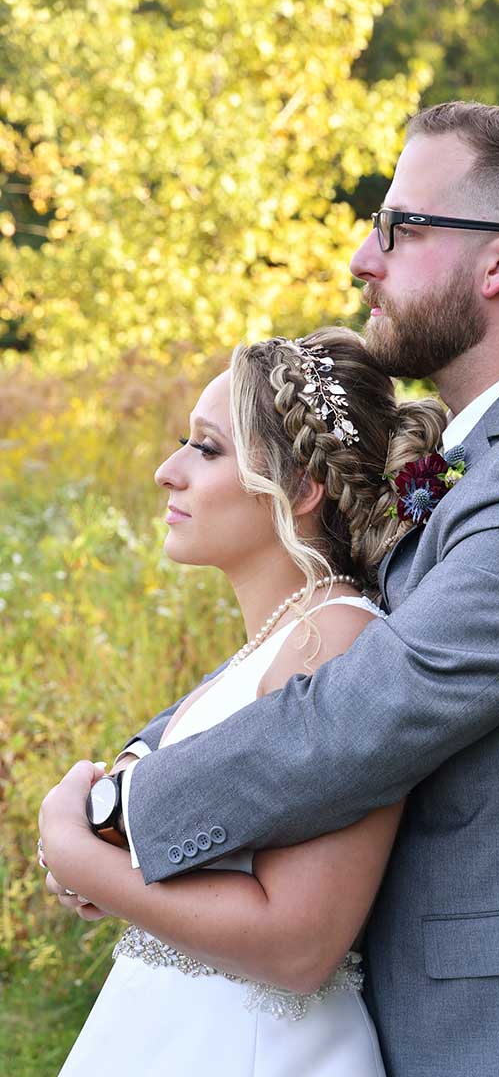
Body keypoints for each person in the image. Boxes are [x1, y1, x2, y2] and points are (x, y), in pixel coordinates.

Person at [47, 100, 499, 1077]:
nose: (365, 259)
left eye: (399, 228)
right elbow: (308, 636)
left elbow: (367, 708)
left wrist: (119, 815)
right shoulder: (490, 460)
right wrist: (141, 759)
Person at [38, 327, 447, 1076]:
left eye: (206, 448)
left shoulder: (336, 644)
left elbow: (300, 943)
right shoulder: (280, 640)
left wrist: (78, 857)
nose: (168, 472)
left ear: (300, 487)